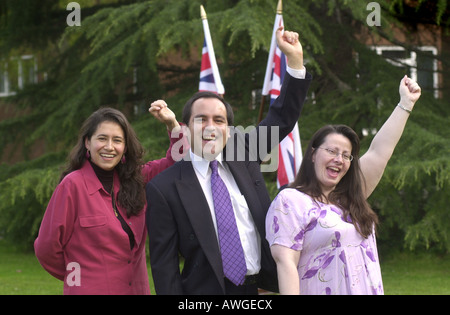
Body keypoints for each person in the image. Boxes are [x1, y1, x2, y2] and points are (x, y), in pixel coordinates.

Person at [146, 27, 312, 295]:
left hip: (264, 289)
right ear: (185, 128)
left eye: (219, 120)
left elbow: (282, 118)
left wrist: (294, 61)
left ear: (229, 130)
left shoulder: (244, 152)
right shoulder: (163, 188)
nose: (211, 127)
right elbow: (165, 269)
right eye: (201, 119)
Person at [265, 75, 421, 295]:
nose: (339, 159)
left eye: (346, 155)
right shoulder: (291, 201)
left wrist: (405, 104)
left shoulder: (349, 197)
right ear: (313, 154)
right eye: (331, 151)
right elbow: (286, 264)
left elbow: (379, 152)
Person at [34, 102, 183, 295]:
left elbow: (178, 163)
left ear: (125, 146)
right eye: (102, 138)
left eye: (117, 140)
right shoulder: (72, 186)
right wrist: (80, 279)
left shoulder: (136, 179)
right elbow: (46, 248)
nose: (109, 147)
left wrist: (172, 125)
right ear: (87, 143)